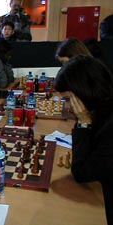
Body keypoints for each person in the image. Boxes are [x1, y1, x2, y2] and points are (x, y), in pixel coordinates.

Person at [54, 55, 113, 225]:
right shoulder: (103, 109)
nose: (66, 107)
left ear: (83, 92)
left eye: (68, 99)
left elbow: (81, 173)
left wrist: (83, 123)